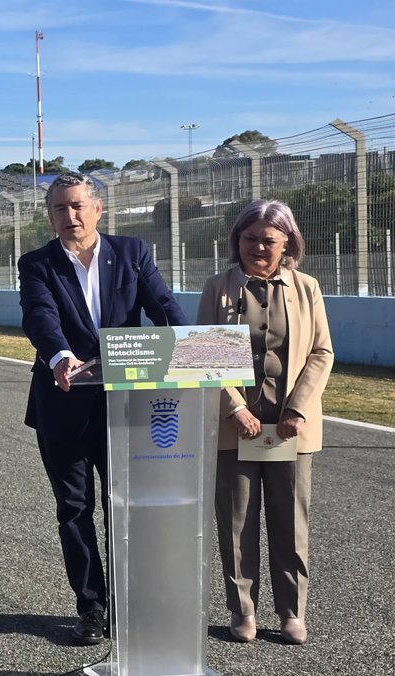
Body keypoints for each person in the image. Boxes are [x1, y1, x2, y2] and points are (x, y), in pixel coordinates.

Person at [18, 172, 187, 644]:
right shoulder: (36, 263)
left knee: (124, 508)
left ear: (98, 208)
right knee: (74, 510)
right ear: (50, 216)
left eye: (77, 206)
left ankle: (132, 602)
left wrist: (189, 352)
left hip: (126, 407)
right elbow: (39, 316)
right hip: (63, 401)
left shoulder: (132, 254)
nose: (69, 216)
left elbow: (165, 309)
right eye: (59, 209)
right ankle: (92, 607)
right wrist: (58, 355)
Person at [197, 199, 333, 645]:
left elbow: (321, 352)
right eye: (249, 238)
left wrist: (297, 408)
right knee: (236, 522)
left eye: (268, 240)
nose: (258, 247)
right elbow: (203, 358)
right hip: (235, 425)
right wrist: (235, 408)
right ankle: (243, 611)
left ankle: (293, 612)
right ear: (236, 240)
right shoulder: (217, 287)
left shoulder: (307, 287)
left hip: (289, 427)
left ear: (288, 243)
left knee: (290, 521)